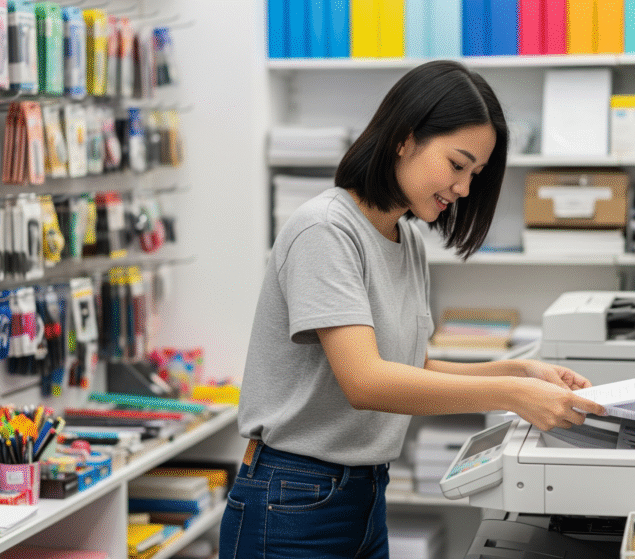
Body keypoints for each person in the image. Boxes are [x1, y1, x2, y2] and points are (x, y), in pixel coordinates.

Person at [219, 60, 607, 559]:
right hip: (294, 495)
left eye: (476, 173)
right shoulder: (325, 230)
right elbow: (367, 383)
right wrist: (514, 393)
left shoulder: (406, 239)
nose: (465, 188)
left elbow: (410, 368)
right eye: (457, 164)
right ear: (404, 139)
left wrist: (522, 370)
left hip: (362, 496)